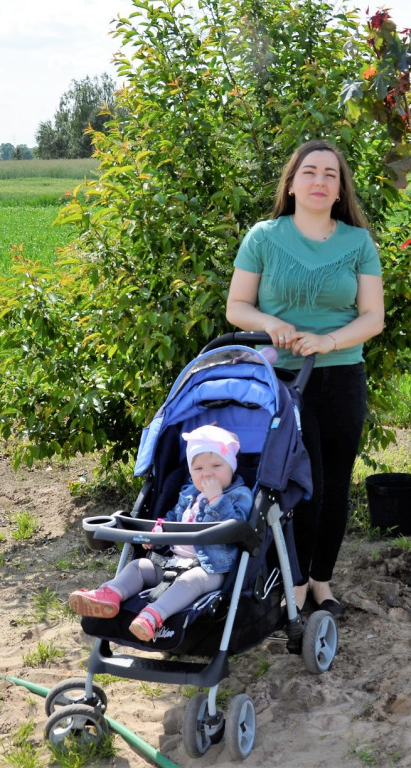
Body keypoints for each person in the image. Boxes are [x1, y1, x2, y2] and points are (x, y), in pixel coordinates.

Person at [225, 140, 384, 618]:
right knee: (297, 486)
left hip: (340, 378)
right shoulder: (263, 237)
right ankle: (290, 585)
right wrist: (268, 324)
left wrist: (328, 341)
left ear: (339, 190)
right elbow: (238, 307)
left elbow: (373, 317)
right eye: (309, 172)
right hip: (279, 383)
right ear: (291, 184)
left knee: (335, 485)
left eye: (330, 175)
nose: (320, 181)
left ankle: (321, 582)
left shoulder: (358, 243)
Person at [69, 425, 253, 641]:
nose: (207, 473)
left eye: (216, 465)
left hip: (211, 569)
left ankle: (152, 616)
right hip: (172, 562)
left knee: (190, 581)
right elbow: (172, 518)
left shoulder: (239, 495)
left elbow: (236, 526)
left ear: (232, 466)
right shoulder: (189, 495)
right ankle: (110, 595)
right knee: (138, 566)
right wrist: (157, 532)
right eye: (198, 469)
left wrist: (216, 500)